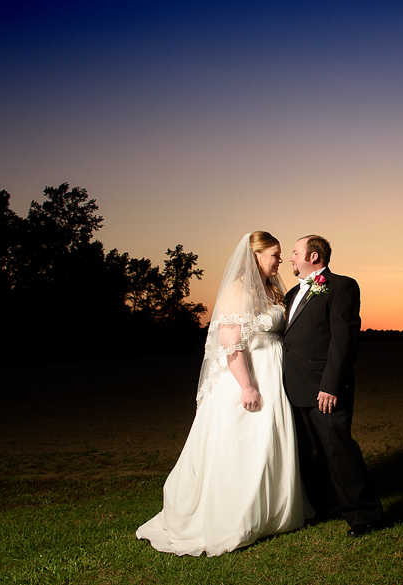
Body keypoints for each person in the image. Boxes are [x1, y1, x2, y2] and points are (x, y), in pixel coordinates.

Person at [136, 231, 310, 556]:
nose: (280, 261)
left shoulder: (272, 290)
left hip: (274, 376)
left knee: (269, 444)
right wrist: (247, 386)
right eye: (274, 254)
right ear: (257, 256)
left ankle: (274, 513)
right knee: (244, 444)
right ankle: (238, 516)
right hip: (249, 378)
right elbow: (232, 343)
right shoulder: (239, 291)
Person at [282, 235, 383, 537]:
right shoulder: (290, 294)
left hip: (324, 387)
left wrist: (331, 385)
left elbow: (343, 341)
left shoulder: (342, 286)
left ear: (314, 257)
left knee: (338, 449)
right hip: (294, 386)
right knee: (309, 453)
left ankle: (364, 514)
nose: (290, 258)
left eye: (295, 252)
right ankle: (325, 507)